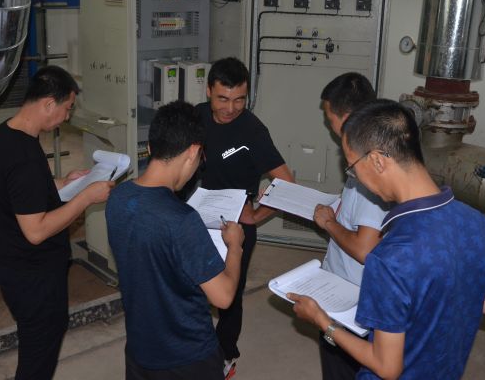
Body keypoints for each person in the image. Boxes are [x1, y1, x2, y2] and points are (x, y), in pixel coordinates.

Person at [288, 100, 485, 379]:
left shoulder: (390, 258)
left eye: (353, 168)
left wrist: (323, 322)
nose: (356, 178)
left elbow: (387, 367)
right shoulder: (475, 222)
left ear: (377, 160)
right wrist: (434, 301)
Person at [0, 65, 114, 380]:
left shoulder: (5, 135)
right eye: (67, 108)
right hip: (35, 278)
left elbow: (24, 193)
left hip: (17, 268)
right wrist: (86, 198)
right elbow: (36, 230)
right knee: (37, 363)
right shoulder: (24, 158)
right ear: (47, 104)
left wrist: (63, 182)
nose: (67, 117)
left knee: (36, 350)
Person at [105, 100, 245, 380]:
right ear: (193, 151)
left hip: (140, 351)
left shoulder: (118, 198)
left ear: (150, 148)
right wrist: (235, 247)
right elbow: (223, 296)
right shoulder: (182, 220)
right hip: (188, 358)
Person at [193, 56, 294, 378]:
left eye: (239, 99)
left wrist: (258, 216)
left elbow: (287, 182)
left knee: (229, 295)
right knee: (192, 288)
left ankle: (226, 355)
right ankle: (194, 349)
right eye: (223, 98)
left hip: (235, 225)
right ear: (209, 91)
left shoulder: (253, 130)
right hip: (196, 217)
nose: (231, 108)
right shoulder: (195, 117)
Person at [313, 73, 390, 379]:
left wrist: (329, 223)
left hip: (349, 301)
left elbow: (364, 249)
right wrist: (338, 208)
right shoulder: (374, 150)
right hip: (348, 290)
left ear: (345, 119)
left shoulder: (369, 169)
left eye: (328, 117)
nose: (327, 123)